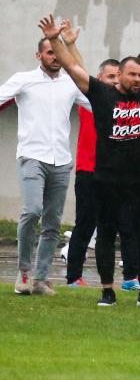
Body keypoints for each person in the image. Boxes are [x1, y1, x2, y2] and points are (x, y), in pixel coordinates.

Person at [38, 21, 140, 307]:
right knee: (106, 234)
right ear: (120, 76)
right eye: (132, 74)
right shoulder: (102, 94)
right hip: (107, 179)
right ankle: (107, 290)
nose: (138, 79)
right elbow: (75, 70)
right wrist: (57, 40)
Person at [2, 30, 87, 295]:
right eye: (49, 52)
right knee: (32, 210)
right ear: (39, 55)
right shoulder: (24, 80)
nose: (54, 57)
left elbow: (99, 101)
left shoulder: (70, 84)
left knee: (52, 221)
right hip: (31, 156)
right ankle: (24, 272)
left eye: (57, 52)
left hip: (61, 160)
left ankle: (40, 278)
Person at [63, 58, 119, 288]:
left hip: (112, 173)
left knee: (111, 227)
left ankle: (115, 279)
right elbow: (77, 67)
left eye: (118, 76)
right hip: (88, 170)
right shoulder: (91, 97)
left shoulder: (121, 102)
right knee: (85, 223)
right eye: (109, 76)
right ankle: (74, 276)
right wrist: (65, 43)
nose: (114, 81)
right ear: (99, 78)